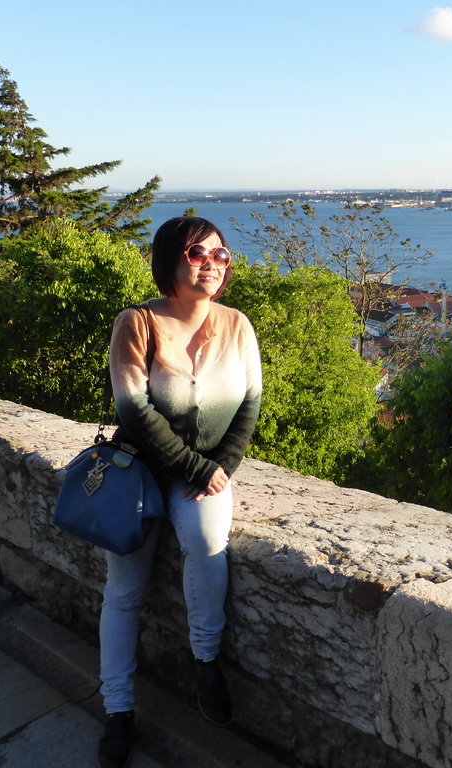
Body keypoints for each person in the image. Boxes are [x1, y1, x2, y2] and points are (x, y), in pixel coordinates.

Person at [96, 216, 262, 768]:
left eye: (222, 255)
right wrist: (194, 468)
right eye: (199, 253)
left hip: (209, 471)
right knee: (124, 589)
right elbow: (133, 410)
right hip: (140, 471)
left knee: (209, 545)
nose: (213, 264)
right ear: (170, 258)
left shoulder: (238, 325)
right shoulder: (137, 323)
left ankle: (205, 660)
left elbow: (249, 406)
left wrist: (221, 468)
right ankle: (118, 708)